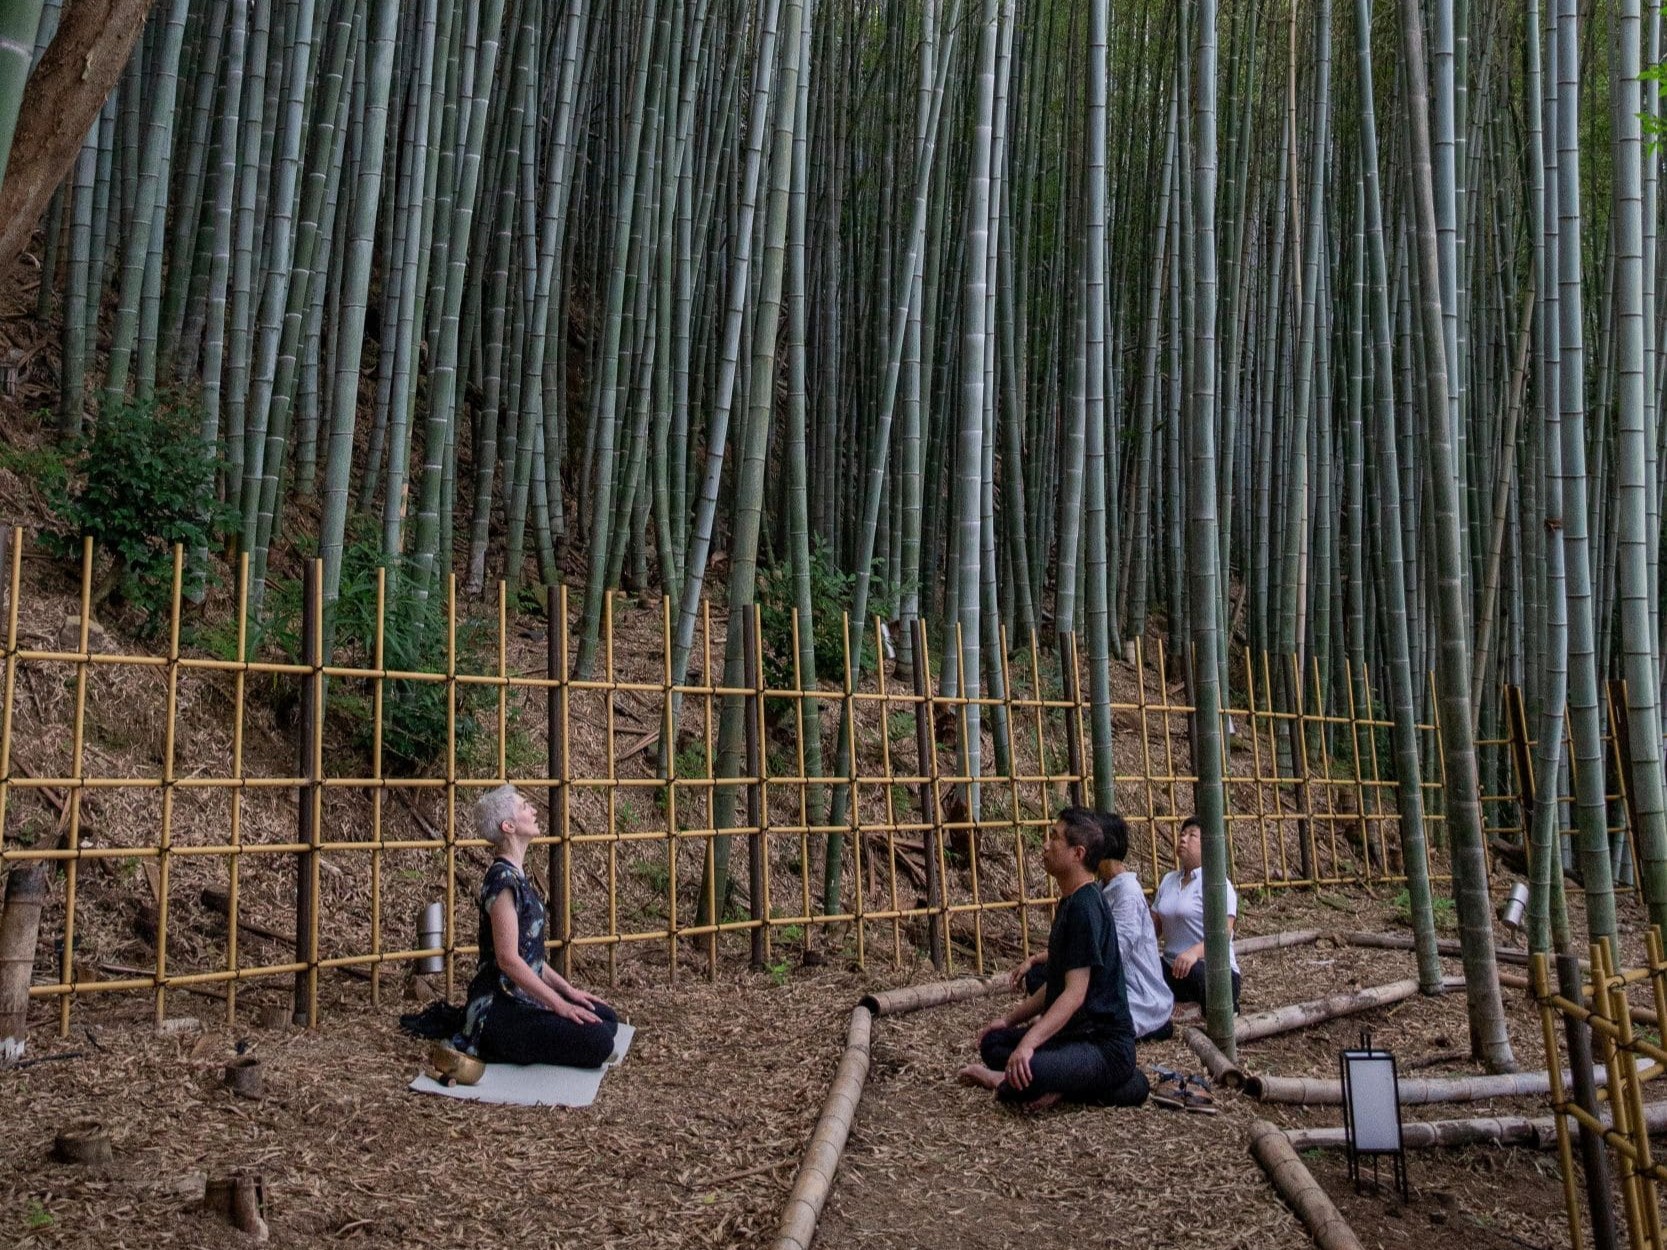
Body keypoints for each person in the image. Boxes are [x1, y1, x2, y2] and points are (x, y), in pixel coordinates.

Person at [959, 808, 1145, 1111]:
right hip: (1071, 1037)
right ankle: (1074, 1082)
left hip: (1102, 1044)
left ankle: (1024, 1082)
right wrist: (1009, 1021)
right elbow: (1056, 984)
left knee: (1026, 1075)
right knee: (993, 1043)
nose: (1045, 845)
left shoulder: (1086, 907)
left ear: (1077, 853)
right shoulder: (1070, 902)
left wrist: (1029, 1043)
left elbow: (1073, 995)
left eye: (1055, 838)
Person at [456, 785, 619, 1067]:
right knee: (599, 1040)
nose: (533, 810)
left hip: (521, 995)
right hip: (499, 1006)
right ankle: (496, 1045)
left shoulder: (517, 875)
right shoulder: (501, 881)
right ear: (508, 826)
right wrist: (559, 1005)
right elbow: (508, 960)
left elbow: (531, 958)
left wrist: (569, 992)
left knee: (606, 1017)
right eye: (523, 807)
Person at [1009, 812, 1174, 1042]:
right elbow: (1082, 947)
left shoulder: (1128, 894)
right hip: (1096, 979)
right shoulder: (1099, 888)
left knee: (1066, 987)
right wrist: (1039, 959)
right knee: (1041, 976)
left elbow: (1110, 956)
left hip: (1133, 994)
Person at [1151, 814, 1240, 1015]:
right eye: (1182, 834)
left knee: (1195, 971)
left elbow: (1223, 934)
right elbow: (1153, 926)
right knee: (1144, 966)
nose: (1183, 839)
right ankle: (1177, 1005)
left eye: (1192, 835)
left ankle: (1223, 1006)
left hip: (1208, 970)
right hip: (1173, 967)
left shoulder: (1217, 883)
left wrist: (1193, 953)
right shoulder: (1168, 880)